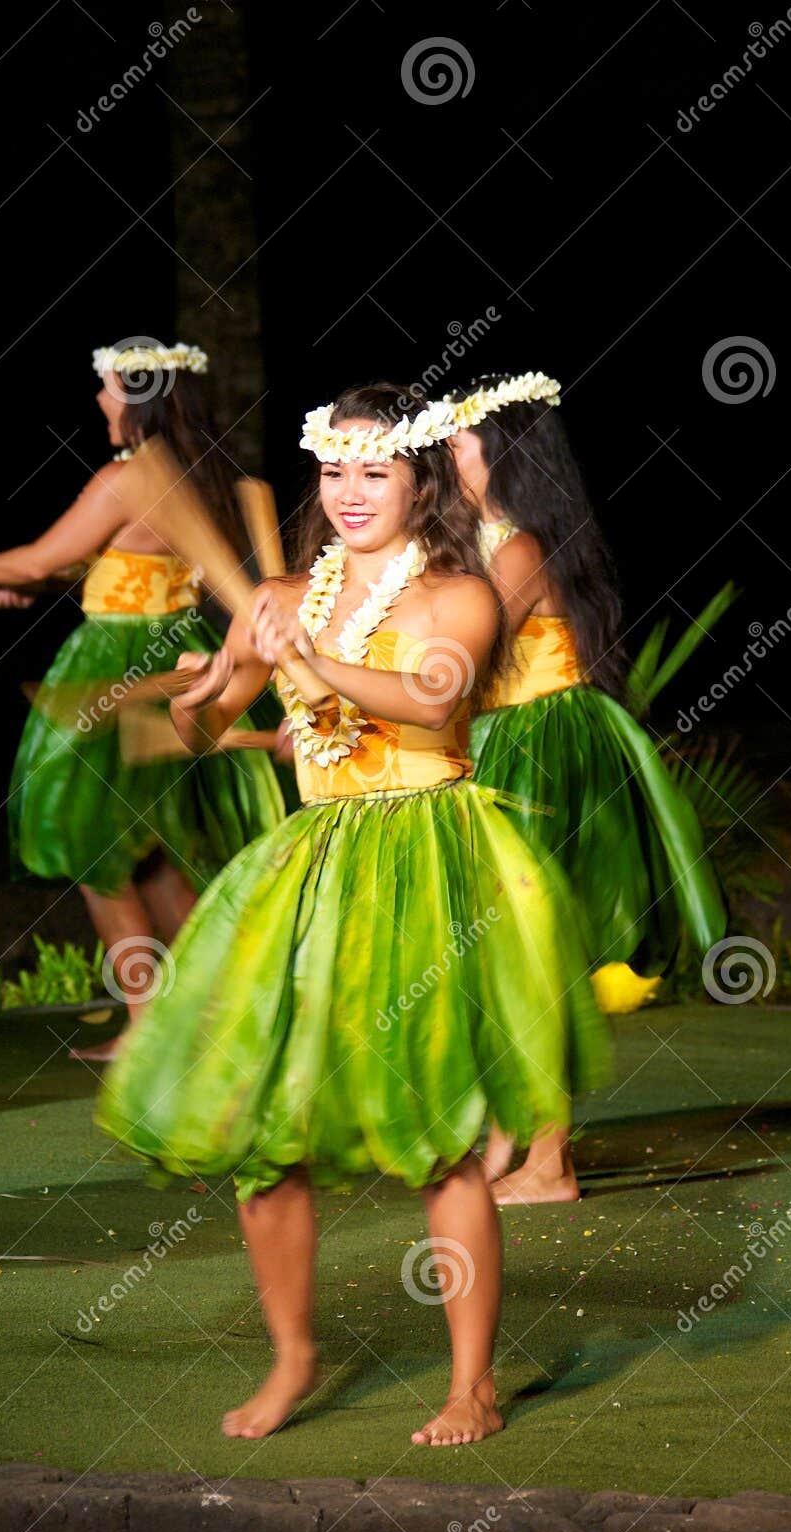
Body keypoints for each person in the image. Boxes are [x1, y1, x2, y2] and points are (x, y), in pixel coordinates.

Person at [96, 384, 607, 1443]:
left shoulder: (459, 591)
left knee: (441, 1142)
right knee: (259, 1136)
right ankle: (292, 1356)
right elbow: (204, 732)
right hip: (312, 867)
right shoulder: (283, 592)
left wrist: (303, 655)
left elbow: (433, 695)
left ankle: (471, 1382)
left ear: (422, 480)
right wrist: (200, 688)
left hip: (425, 859)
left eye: (375, 470)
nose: (350, 491)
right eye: (333, 470)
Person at [0, 340, 283, 1058]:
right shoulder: (201, 471)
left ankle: (156, 1025)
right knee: (157, 851)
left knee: (91, 843)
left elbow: (38, 556)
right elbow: (111, 564)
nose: (99, 401)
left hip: (120, 666)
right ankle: (193, 1019)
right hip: (178, 654)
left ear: (141, 398)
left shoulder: (128, 477)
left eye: (110, 388)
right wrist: (33, 586)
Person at [449, 372, 725, 1203]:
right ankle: (513, 1133)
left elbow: (459, 661)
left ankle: (548, 1161)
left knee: (534, 954)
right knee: (508, 950)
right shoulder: (500, 538)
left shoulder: (520, 548)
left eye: (457, 441)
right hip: (513, 741)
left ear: (499, 453)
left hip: (542, 748)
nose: (444, 455)